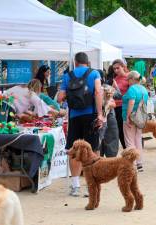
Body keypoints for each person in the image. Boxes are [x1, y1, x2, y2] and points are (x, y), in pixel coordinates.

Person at [58, 52, 103, 196]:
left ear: (75, 62)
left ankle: (75, 186)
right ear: (87, 62)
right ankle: (93, 185)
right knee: (93, 149)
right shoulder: (94, 73)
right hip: (91, 115)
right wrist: (100, 114)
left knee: (74, 149)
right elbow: (97, 92)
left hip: (74, 116)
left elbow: (60, 97)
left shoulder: (68, 76)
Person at [122, 71, 149, 172]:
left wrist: (128, 117)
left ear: (132, 79)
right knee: (138, 140)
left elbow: (131, 102)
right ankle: (139, 164)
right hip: (140, 118)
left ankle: (132, 164)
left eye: (128, 79)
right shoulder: (144, 89)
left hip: (130, 117)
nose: (127, 82)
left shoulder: (132, 89)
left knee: (129, 141)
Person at [112, 59, 129, 149]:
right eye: (114, 69)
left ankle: (130, 153)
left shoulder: (129, 77)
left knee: (124, 132)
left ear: (123, 66)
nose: (116, 70)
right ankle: (126, 152)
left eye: (118, 68)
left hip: (124, 108)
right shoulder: (115, 79)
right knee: (119, 132)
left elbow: (132, 95)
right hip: (115, 107)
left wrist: (117, 88)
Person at [99, 84, 120, 158]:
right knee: (111, 144)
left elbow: (114, 103)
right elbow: (118, 96)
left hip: (101, 118)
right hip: (108, 119)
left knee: (99, 143)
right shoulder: (106, 89)